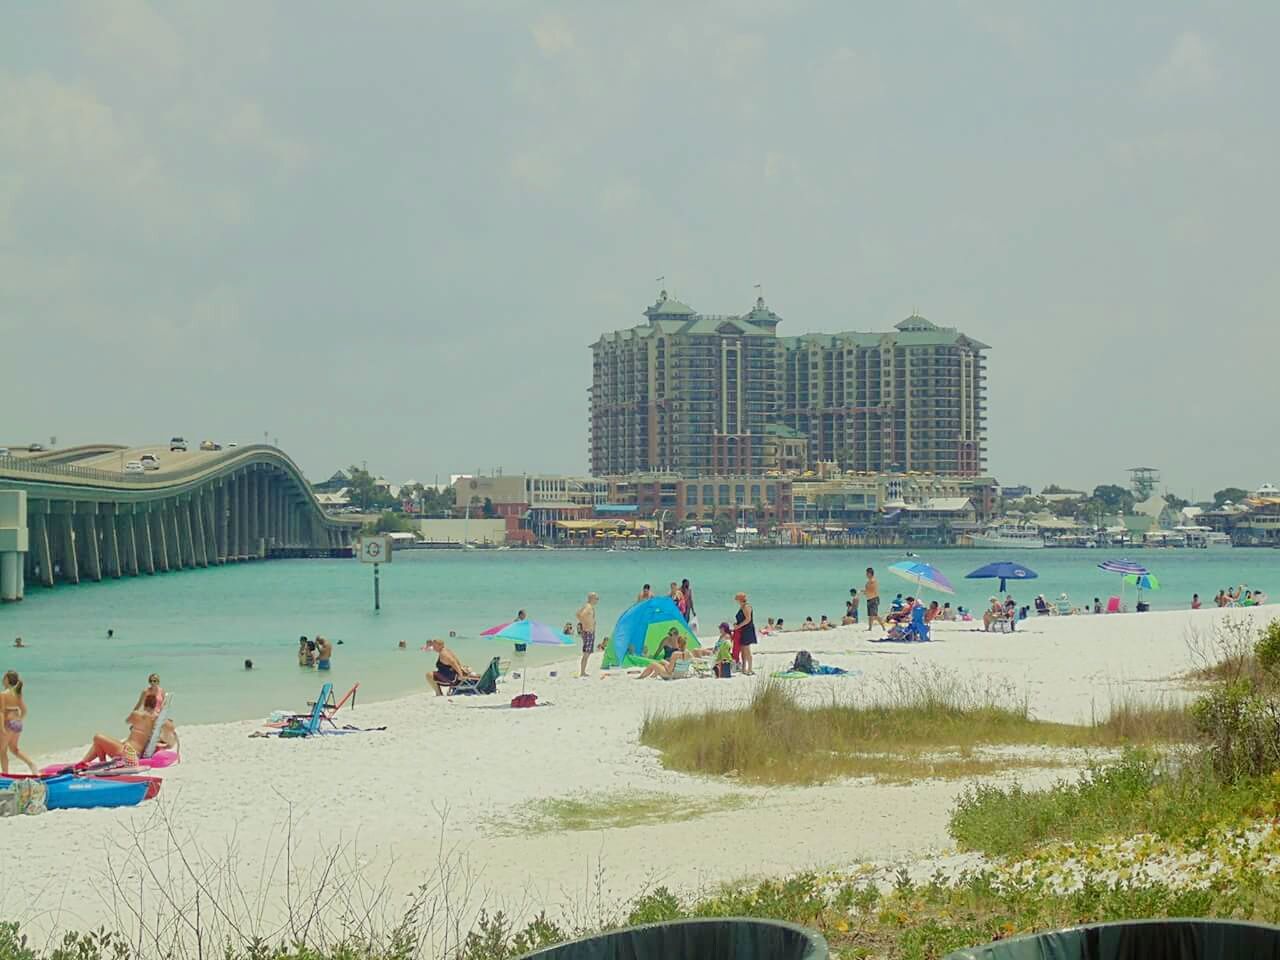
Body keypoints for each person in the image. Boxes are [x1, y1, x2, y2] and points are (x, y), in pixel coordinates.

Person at [82, 694, 158, 766]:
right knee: (99, 743)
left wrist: (138, 705)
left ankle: (103, 764)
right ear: (155, 706)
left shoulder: (137, 714)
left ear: (144, 703)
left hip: (127, 753)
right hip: (134, 754)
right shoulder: (154, 720)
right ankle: (83, 762)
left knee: (97, 737)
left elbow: (127, 721)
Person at [0, 671, 36, 775]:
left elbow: (2, 712)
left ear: (7, 680)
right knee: (14, 749)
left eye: (4, 677)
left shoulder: (3, 694)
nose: (2, 679)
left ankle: (5, 774)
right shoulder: (17, 694)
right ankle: (31, 764)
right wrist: (18, 719)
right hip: (17, 724)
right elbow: (24, 710)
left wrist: (2, 727)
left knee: (2, 751)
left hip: (8, 724)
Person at [576, 592, 598, 678]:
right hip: (588, 632)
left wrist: (584, 625)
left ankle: (583, 671)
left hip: (588, 631)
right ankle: (582, 672)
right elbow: (581, 615)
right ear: (592, 598)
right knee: (586, 653)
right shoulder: (588, 607)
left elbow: (577, 614)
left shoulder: (587, 606)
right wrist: (585, 624)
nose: (597, 600)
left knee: (587, 653)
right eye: (596, 598)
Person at [735, 592, 756, 676]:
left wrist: (738, 626)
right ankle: (744, 668)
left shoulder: (747, 607)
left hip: (747, 630)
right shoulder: (742, 607)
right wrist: (737, 624)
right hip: (742, 629)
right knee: (743, 649)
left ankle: (750, 668)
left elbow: (748, 619)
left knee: (747, 649)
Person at [864, 567, 884, 631]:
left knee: (875, 615)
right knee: (870, 615)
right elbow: (869, 590)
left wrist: (865, 592)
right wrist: (864, 592)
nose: (866, 574)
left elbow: (872, 590)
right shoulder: (869, 581)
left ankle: (883, 626)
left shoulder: (873, 581)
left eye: (867, 573)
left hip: (873, 599)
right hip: (870, 599)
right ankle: (870, 628)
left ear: (870, 573)